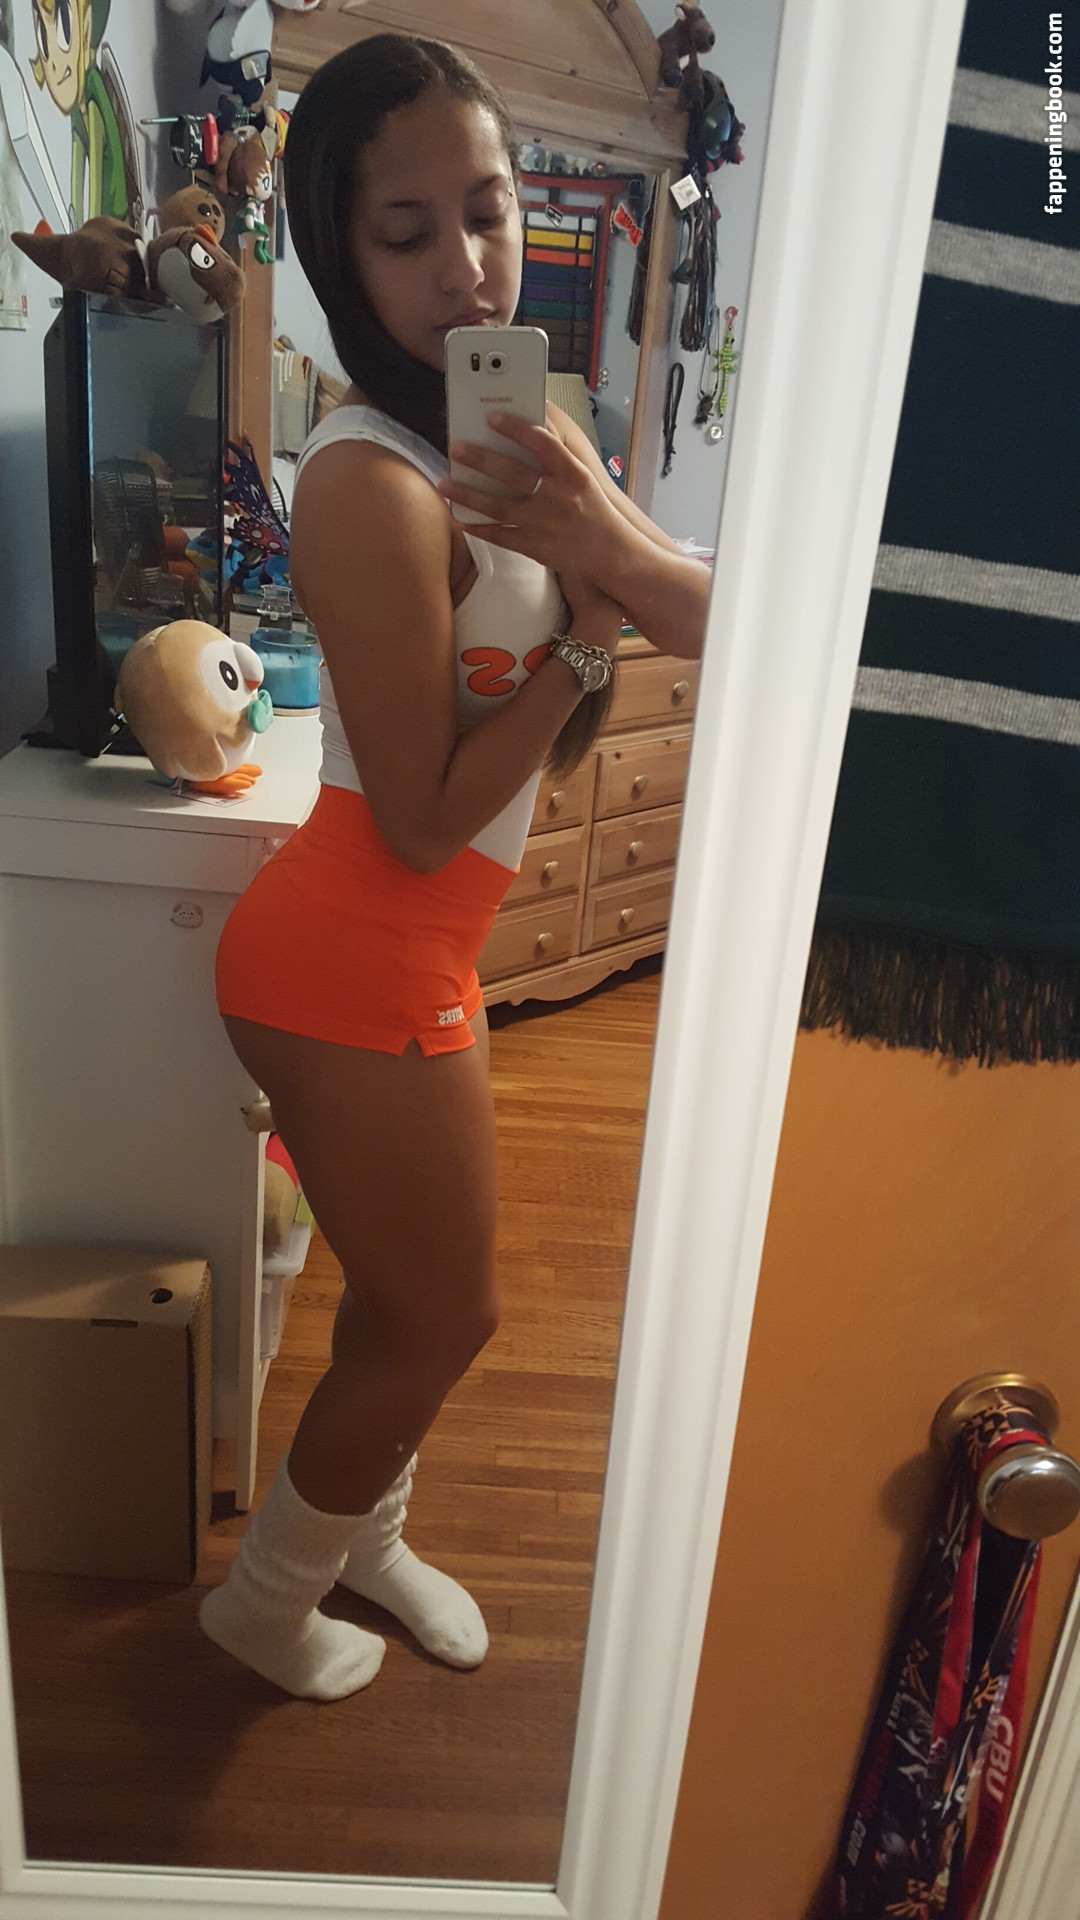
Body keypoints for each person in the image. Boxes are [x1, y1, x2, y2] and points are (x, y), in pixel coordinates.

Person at [200, 31, 709, 1701]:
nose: (466, 266)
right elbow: (424, 816)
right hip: (352, 947)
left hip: (405, 945)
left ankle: (367, 1538)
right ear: (341, 259)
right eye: (404, 232)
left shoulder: (516, 439)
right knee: (447, 1316)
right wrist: (586, 639)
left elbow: (670, 635)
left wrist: (595, 549)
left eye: (486, 210)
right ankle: (264, 1601)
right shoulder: (368, 483)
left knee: (400, 1302)